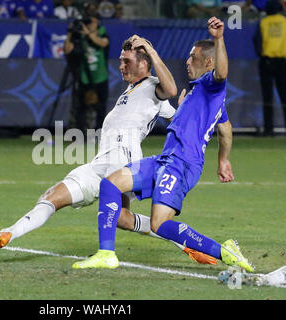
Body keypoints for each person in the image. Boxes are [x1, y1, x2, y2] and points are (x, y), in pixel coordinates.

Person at [0, 34, 217, 266]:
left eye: (126, 61)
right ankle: (8, 233)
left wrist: (151, 50)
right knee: (56, 198)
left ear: (144, 62)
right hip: (99, 163)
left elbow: (171, 91)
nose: (121, 66)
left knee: (121, 218)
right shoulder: (130, 92)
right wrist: (181, 112)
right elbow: (177, 120)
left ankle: (168, 245)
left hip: (124, 161)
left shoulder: (153, 85)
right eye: (120, 61)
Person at [73, 17, 255, 272]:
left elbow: (223, 73)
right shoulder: (200, 95)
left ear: (209, 62)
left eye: (192, 57)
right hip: (164, 160)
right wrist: (223, 160)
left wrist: (218, 38)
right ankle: (106, 253)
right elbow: (225, 129)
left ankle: (223, 251)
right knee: (111, 183)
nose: (187, 61)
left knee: (160, 225)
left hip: (181, 165)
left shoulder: (213, 86)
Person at [63, 16, 109, 133]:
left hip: (100, 77)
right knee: (81, 108)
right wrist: (70, 33)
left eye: (92, 22)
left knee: (101, 109)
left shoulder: (102, 33)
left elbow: (102, 43)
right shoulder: (80, 37)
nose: (89, 24)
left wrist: (88, 33)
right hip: (85, 78)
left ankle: (100, 135)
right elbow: (67, 50)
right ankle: (81, 135)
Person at [253, 0, 286, 136]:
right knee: (285, 97)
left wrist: (262, 56)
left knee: (267, 97)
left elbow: (256, 41)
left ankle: (268, 130)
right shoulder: (285, 21)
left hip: (267, 62)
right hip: (283, 62)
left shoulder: (263, 22)